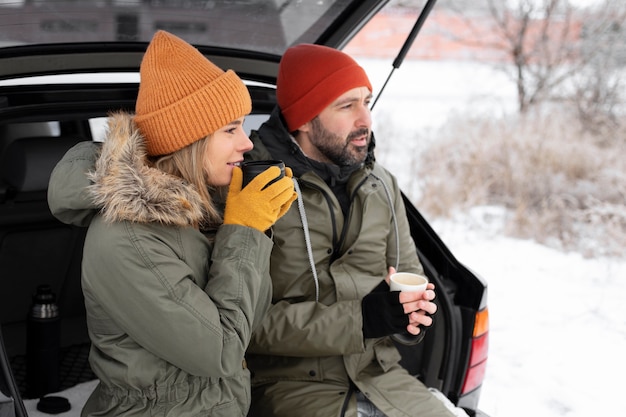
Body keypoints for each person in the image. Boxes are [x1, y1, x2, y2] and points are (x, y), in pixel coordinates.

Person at [47, 30, 296, 416]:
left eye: (243, 127)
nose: (246, 143)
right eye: (230, 129)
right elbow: (221, 351)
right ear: (188, 140)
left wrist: (253, 225)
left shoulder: (205, 212)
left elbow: (249, 319)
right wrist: (245, 232)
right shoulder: (126, 238)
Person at [244, 44, 466, 417]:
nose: (366, 119)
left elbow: (412, 278)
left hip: (382, 379)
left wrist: (409, 318)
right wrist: (363, 318)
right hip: (292, 389)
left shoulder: (381, 184)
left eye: (367, 101)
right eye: (347, 106)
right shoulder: (253, 186)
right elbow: (243, 324)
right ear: (302, 119)